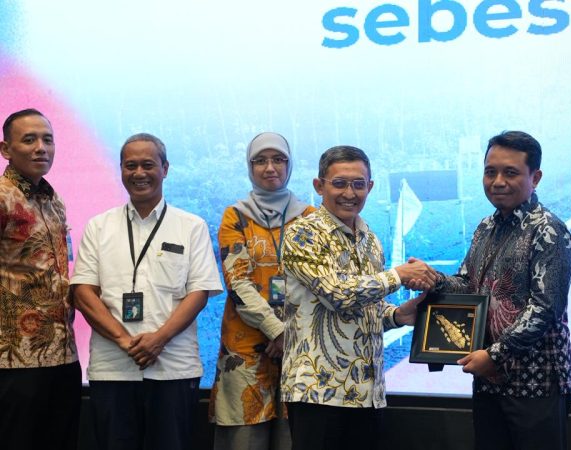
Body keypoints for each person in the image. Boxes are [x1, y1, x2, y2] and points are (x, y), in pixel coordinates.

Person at [423, 131, 571, 450]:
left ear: (535, 177)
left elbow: (545, 308)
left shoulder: (548, 230)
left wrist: (495, 355)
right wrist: (431, 280)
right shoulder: (485, 227)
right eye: (490, 172)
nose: (497, 182)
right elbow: (468, 285)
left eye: (510, 172)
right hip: (489, 382)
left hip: (537, 383)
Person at [71, 133, 223, 450]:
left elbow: (198, 293)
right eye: (131, 166)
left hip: (173, 368)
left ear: (165, 169)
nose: (139, 173)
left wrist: (159, 339)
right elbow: (83, 292)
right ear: (121, 170)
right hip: (113, 369)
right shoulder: (99, 226)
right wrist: (124, 340)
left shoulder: (191, 226)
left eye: (148, 165)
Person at [280, 145, 436, 450]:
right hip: (318, 390)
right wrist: (398, 275)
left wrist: (398, 315)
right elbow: (337, 294)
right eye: (339, 183)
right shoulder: (303, 233)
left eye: (358, 184)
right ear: (319, 185)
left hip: (367, 391)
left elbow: (364, 307)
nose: (349, 193)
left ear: (370, 187)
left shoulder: (370, 239)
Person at [209, 132, 315, 450]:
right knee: (244, 438)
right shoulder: (236, 216)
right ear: (250, 166)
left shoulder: (310, 218)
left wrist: (289, 334)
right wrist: (276, 330)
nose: (270, 167)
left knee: (293, 436)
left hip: (298, 345)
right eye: (260, 160)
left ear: (289, 164)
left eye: (278, 159)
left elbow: (315, 283)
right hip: (245, 348)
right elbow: (238, 283)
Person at [0, 108, 81, 450]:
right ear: (6, 149)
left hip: (63, 354)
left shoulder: (54, 200)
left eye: (47, 140)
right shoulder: (3, 196)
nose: (40, 148)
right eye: (29, 140)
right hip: (14, 359)